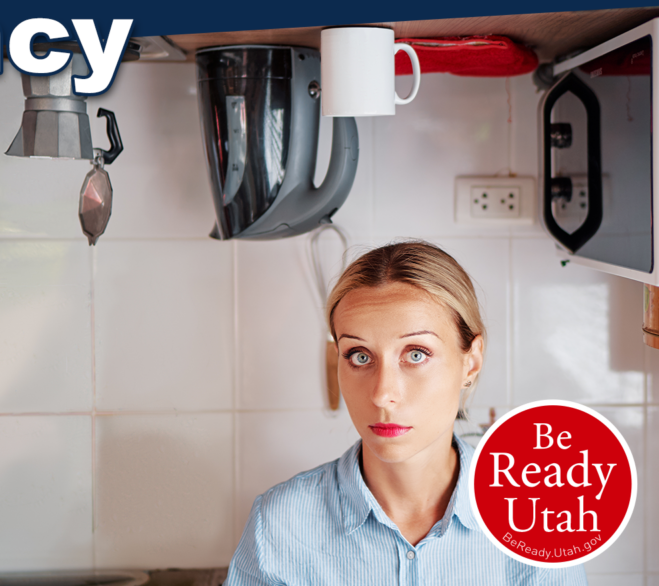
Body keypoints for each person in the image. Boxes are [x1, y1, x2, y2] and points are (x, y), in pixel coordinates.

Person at [225, 240, 586, 585]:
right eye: (360, 356)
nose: (382, 394)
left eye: (416, 354)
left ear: (471, 363)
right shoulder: (280, 524)